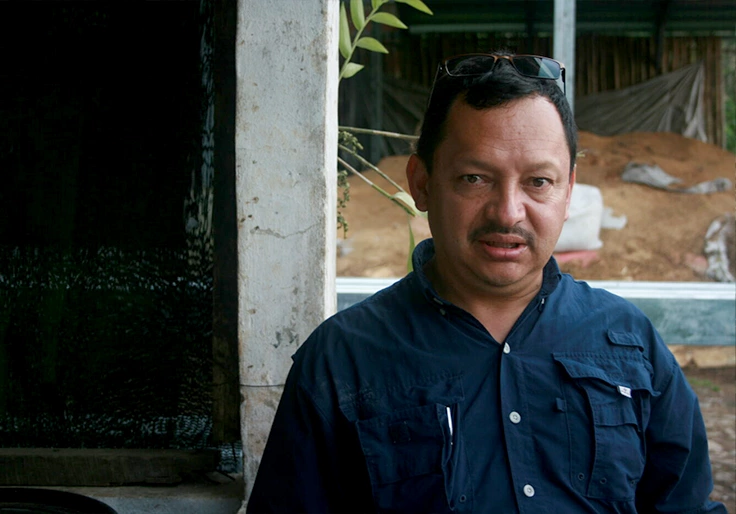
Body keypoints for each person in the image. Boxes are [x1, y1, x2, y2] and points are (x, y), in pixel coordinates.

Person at [247, 52, 726, 513]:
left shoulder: (628, 342)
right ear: (422, 183)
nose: (508, 212)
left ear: (568, 191)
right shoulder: (340, 360)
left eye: (539, 182)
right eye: (475, 178)